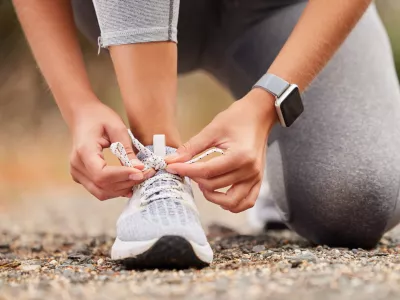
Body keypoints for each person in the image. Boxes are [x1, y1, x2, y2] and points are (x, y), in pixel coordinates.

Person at [12, 0, 400, 269]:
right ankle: (159, 168)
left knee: (358, 199)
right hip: (127, 13)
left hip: (278, 11)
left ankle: (277, 166)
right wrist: (77, 104)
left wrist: (267, 105)